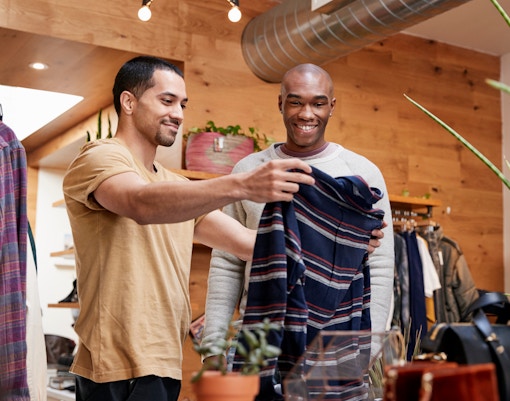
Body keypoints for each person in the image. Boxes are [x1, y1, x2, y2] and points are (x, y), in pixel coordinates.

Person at [62, 55, 315, 401]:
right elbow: (139, 202)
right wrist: (240, 185)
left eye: (182, 104)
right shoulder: (99, 157)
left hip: (164, 363)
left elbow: (249, 244)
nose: (178, 114)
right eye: (167, 101)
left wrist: (343, 242)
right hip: (113, 369)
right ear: (129, 101)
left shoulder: (175, 186)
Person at [201, 63, 395, 398]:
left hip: (338, 345)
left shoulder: (362, 175)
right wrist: (213, 348)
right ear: (280, 103)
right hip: (259, 340)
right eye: (296, 102)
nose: (307, 114)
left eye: (318, 103)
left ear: (332, 106)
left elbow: (380, 267)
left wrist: (369, 346)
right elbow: (226, 263)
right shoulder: (249, 171)